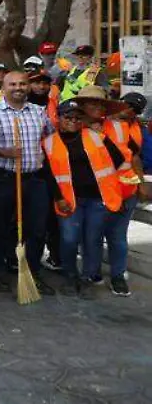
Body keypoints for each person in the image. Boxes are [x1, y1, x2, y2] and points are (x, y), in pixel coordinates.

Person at [43, 99, 125, 299]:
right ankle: (70, 276)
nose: (72, 120)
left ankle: (88, 278)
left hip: (98, 200)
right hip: (68, 201)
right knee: (69, 239)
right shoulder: (48, 143)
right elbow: (48, 175)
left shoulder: (97, 137)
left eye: (77, 117)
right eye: (67, 117)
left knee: (92, 240)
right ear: (58, 118)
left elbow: (119, 160)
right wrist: (58, 197)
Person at [0, 70, 57, 296]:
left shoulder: (39, 112)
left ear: (28, 86)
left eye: (22, 84)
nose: (18, 87)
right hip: (3, 177)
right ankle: (0, 270)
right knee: (0, 226)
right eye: (13, 84)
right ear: (4, 87)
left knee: (37, 229)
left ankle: (33, 272)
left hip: (33, 179)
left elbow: (51, 138)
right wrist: (2, 151)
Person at [87, 88, 141, 295]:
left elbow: (131, 157)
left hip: (124, 190)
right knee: (93, 236)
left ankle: (118, 276)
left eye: (100, 104)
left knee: (117, 237)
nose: (96, 108)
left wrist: (140, 183)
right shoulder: (75, 126)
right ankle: (93, 272)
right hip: (95, 194)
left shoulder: (120, 128)